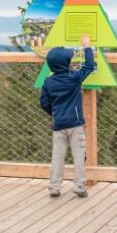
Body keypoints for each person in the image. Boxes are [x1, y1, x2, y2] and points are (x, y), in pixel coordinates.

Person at [39, 35, 96, 198]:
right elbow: (90, 66)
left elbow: (44, 103)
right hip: (75, 124)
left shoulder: (48, 82)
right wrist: (87, 47)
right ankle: (79, 186)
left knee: (58, 156)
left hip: (59, 125)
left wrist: (55, 114)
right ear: (66, 63)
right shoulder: (74, 78)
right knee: (79, 156)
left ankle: (54, 187)